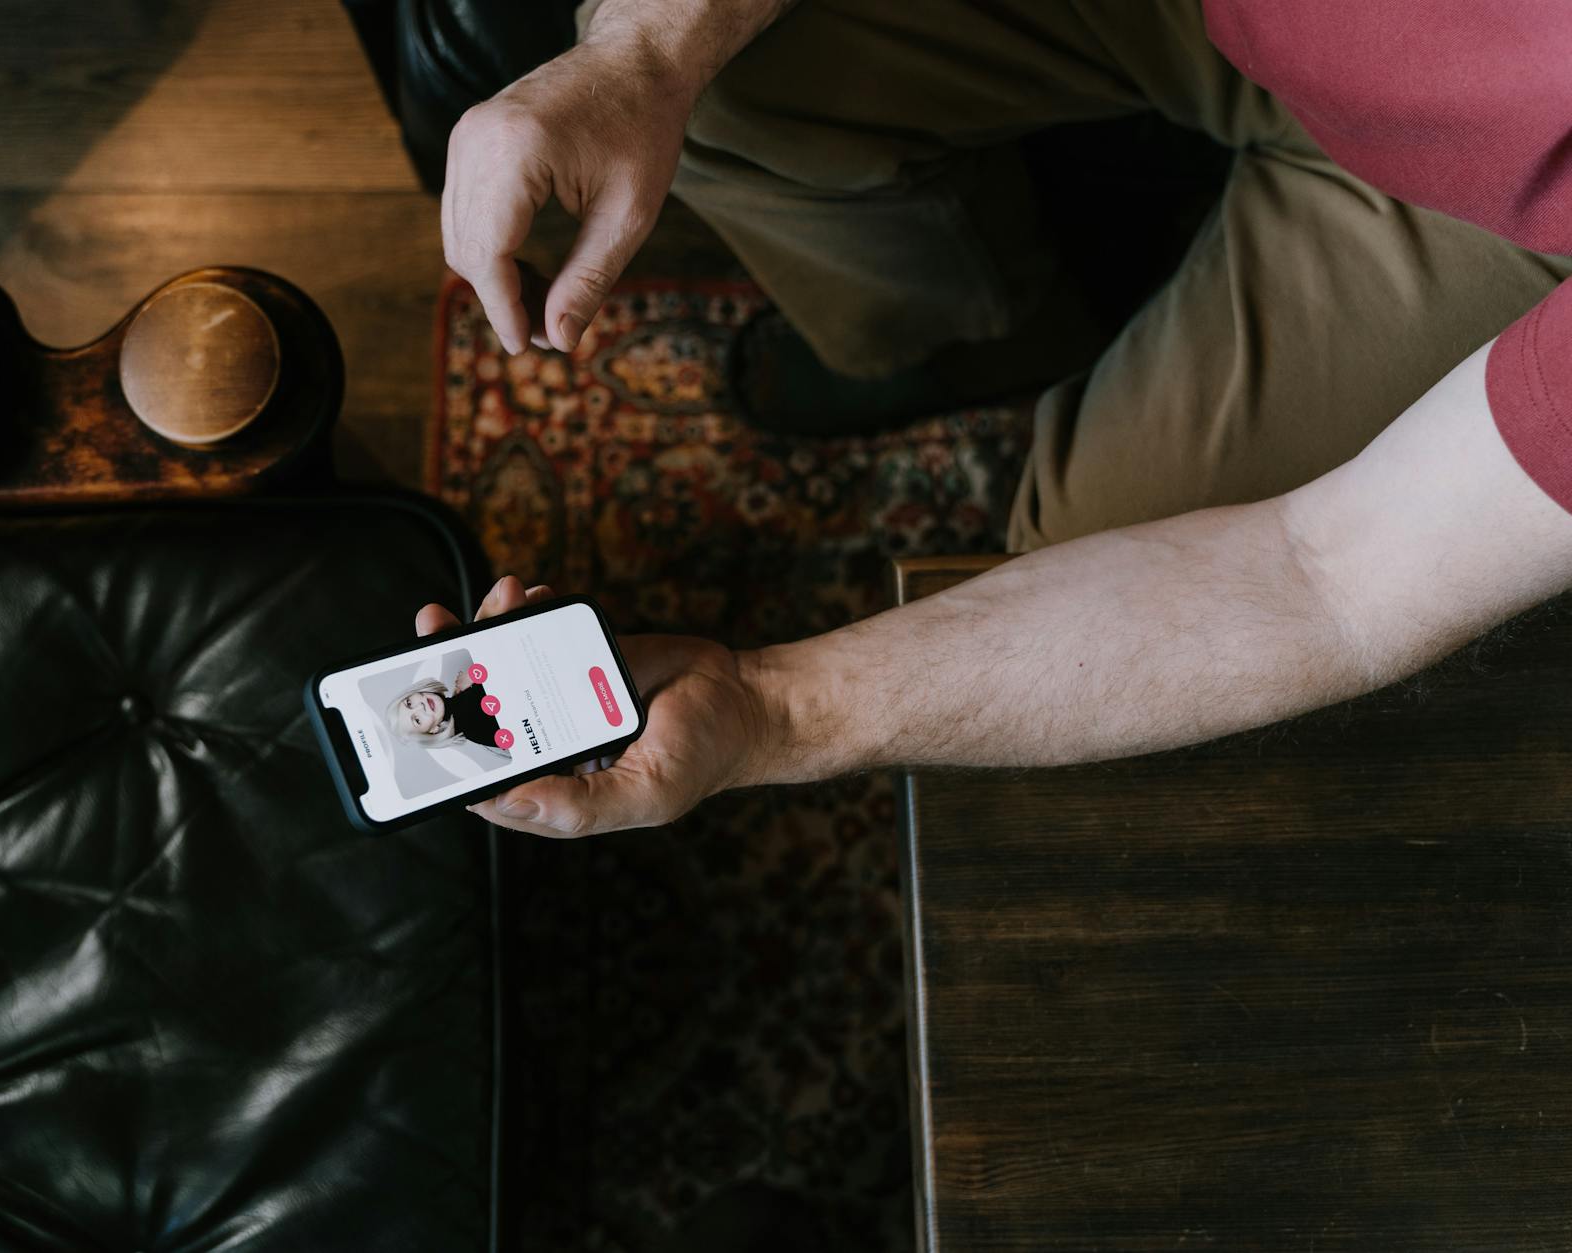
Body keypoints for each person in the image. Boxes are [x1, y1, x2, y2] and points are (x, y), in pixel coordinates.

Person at [427, 0, 1572, 838]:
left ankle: (957, 335)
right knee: (725, 95)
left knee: (1075, 549)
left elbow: (1323, 576)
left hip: (1499, 210)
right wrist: (640, 56)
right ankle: (952, 332)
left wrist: (771, 710)